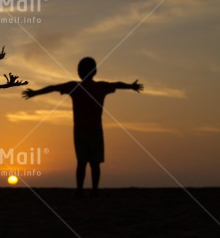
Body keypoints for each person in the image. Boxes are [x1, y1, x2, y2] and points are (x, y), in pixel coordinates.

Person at [22, 57, 143, 196]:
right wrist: (131, 86)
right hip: (95, 131)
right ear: (95, 71)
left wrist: (35, 93)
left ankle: (80, 191)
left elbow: (54, 88)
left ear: (79, 72)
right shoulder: (100, 87)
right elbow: (117, 84)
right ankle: (94, 191)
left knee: (82, 163)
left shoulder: (75, 87)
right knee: (94, 163)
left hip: (80, 131)